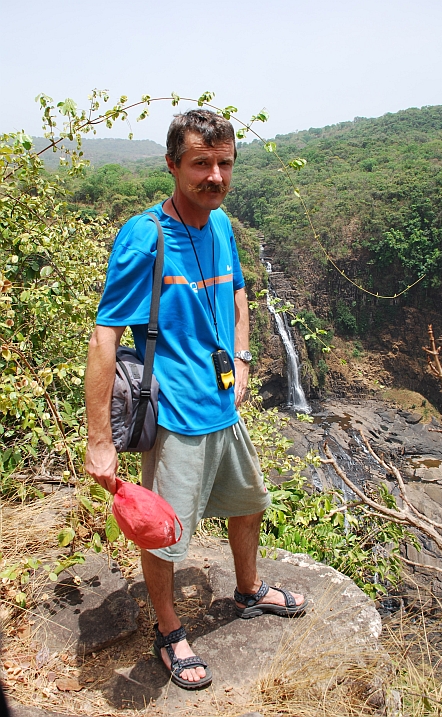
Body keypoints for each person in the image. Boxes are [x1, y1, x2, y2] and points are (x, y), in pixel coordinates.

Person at [84, 109, 307, 691]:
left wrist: (243, 358)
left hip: (224, 404)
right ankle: (168, 631)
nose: (215, 175)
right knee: (165, 534)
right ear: (173, 165)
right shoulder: (147, 235)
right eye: (201, 163)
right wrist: (100, 441)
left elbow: (237, 292)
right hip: (177, 415)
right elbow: (106, 333)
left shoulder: (224, 224)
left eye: (224, 163)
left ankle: (249, 590)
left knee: (248, 502)